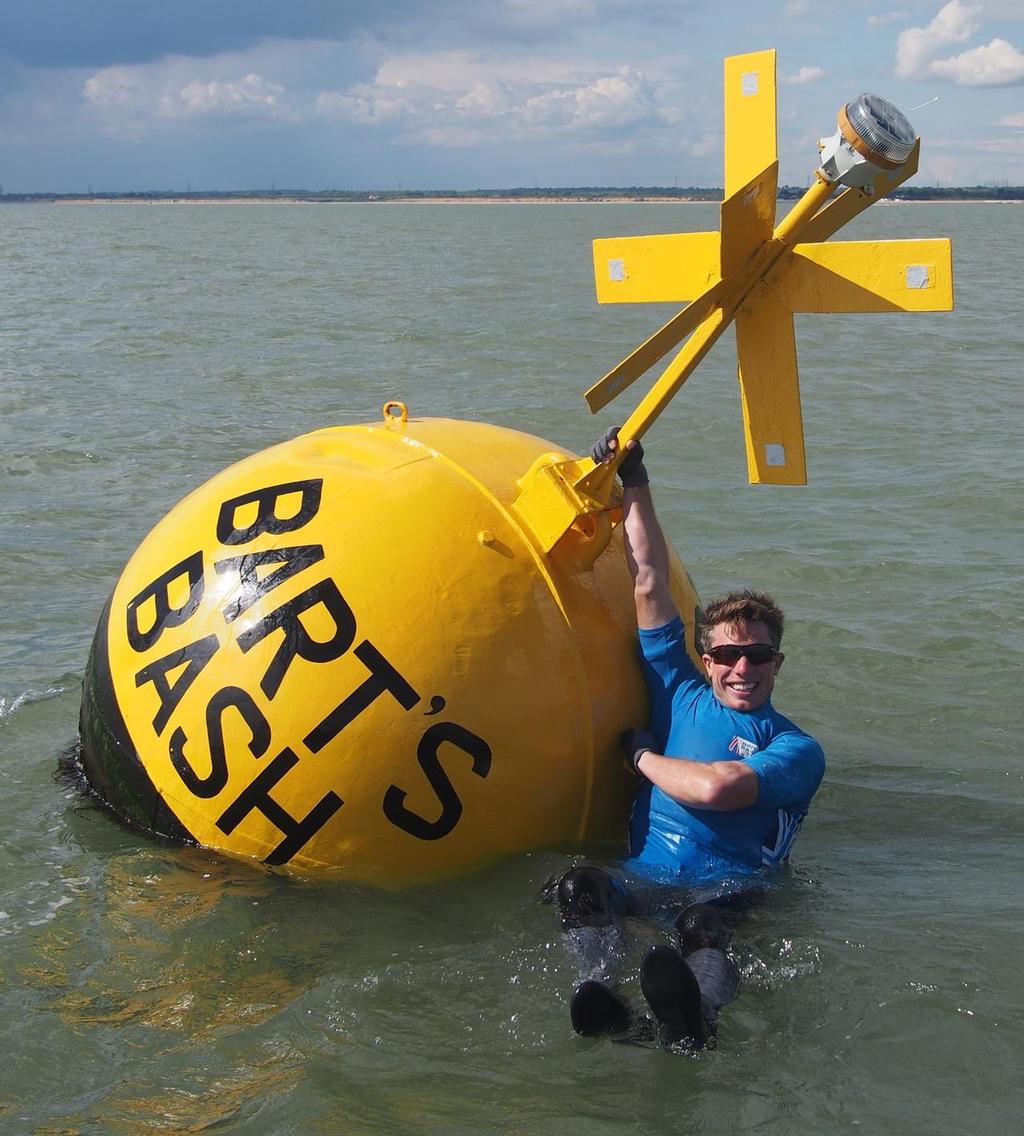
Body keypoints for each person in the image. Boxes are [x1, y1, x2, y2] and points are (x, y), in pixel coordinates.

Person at [550, 427, 826, 1049]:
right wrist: (634, 479)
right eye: (727, 655)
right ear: (705, 659)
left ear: (778, 663)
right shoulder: (677, 690)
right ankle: (600, 993)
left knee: (703, 923)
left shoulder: (797, 749)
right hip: (645, 876)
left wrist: (641, 755)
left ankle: (695, 1018)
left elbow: (717, 789)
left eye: (758, 655)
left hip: (731, 889)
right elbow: (647, 577)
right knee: (581, 887)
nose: (743, 669)